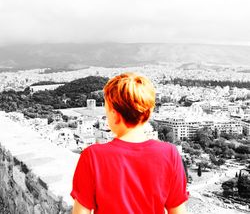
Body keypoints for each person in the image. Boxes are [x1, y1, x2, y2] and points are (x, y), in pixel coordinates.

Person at [70, 72, 189, 214]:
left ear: (113, 114)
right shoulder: (170, 153)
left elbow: (81, 212)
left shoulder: (93, 156)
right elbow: (177, 211)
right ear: (149, 112)